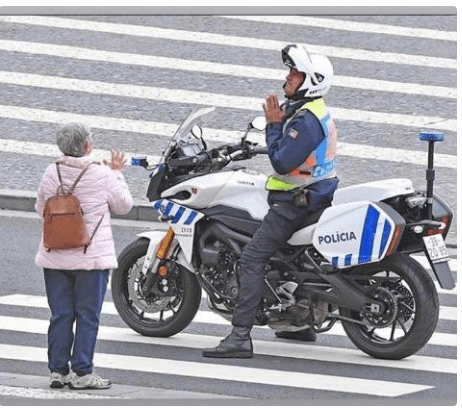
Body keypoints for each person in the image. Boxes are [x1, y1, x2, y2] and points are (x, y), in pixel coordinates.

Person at [202, 44, 339, 358]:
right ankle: (298, 323)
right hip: (314, 195)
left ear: (311, 80)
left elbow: (280, 162)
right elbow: (294, 150)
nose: (288, 77)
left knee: (250, 260)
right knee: (285, 259)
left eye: (295, 73)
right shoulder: (312, 110)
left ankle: (239, 337)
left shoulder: (306, 121)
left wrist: (275, 124)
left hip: (294, 202)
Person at [35, 122, 134, 388]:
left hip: (55, 255)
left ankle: (57, 371)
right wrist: (117, 173)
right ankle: (81, 373)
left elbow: (40, 208)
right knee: (88, 316)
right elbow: (124, 206)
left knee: (61, 315)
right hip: (91, 258)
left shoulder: (50, 171)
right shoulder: (101, 174)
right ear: (87, 146)